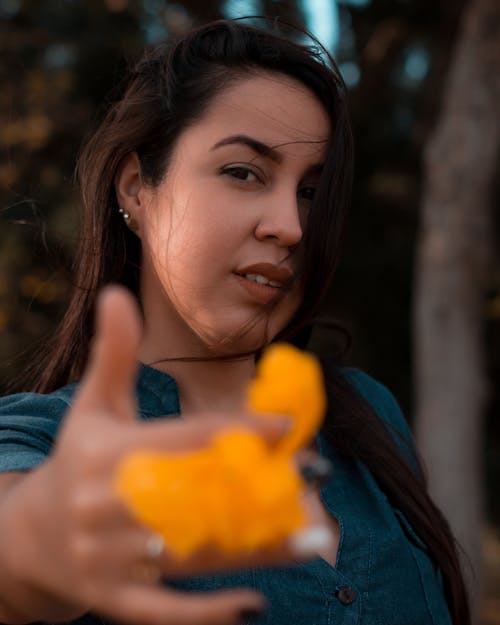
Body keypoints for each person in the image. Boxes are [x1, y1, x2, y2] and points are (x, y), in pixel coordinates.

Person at [0, 19, 469, 625]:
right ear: (139, 188)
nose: (291, 227)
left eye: (310, 192)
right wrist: (43, 547)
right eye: (243, 172)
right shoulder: (46, 438)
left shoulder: (367, 415)